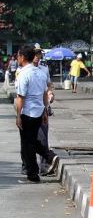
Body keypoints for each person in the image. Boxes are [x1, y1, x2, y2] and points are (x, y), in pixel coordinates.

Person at [14, 46, 57, 183]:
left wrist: (18, 115)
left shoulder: (24, 74)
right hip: (38, 111)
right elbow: (45, 94)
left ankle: (33, 174)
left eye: (18, 56)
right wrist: (45, 110)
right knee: (32, 140)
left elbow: (21, 97)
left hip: (28, 112)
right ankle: (49, 156)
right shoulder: (40, 73)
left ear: (22, 57)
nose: (17, 58)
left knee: (28, 145)